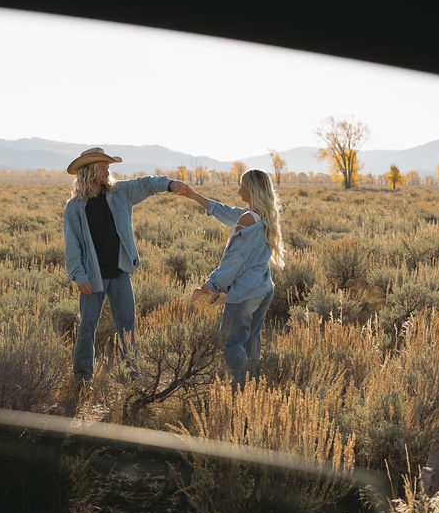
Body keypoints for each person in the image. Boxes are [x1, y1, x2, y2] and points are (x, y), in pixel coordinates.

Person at [63, 147, 184, 384]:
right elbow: (72, 245)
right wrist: (78, 275)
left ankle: (132, 377)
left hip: (119, 275)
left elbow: (146, 184)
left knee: (127, 327)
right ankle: (83, 377)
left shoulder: (120, 193)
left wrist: (168, 184)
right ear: (89, 171)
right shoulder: (75, 206)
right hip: (92, 276)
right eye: (102, 167)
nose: (108, 171)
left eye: (108, 166)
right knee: (87, 327)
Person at [175, 168, 285, 380]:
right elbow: (224, 211)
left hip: (245, 293)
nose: (238, 190)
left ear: (252, 189)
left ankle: (242, 388)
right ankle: (255, 385)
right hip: (263, 289)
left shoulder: (247, 219)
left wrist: (211, 285)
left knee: (230, 343)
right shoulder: (260, 216)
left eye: (242, 185)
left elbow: (233, 261)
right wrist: (193, 195)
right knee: (251, 340)